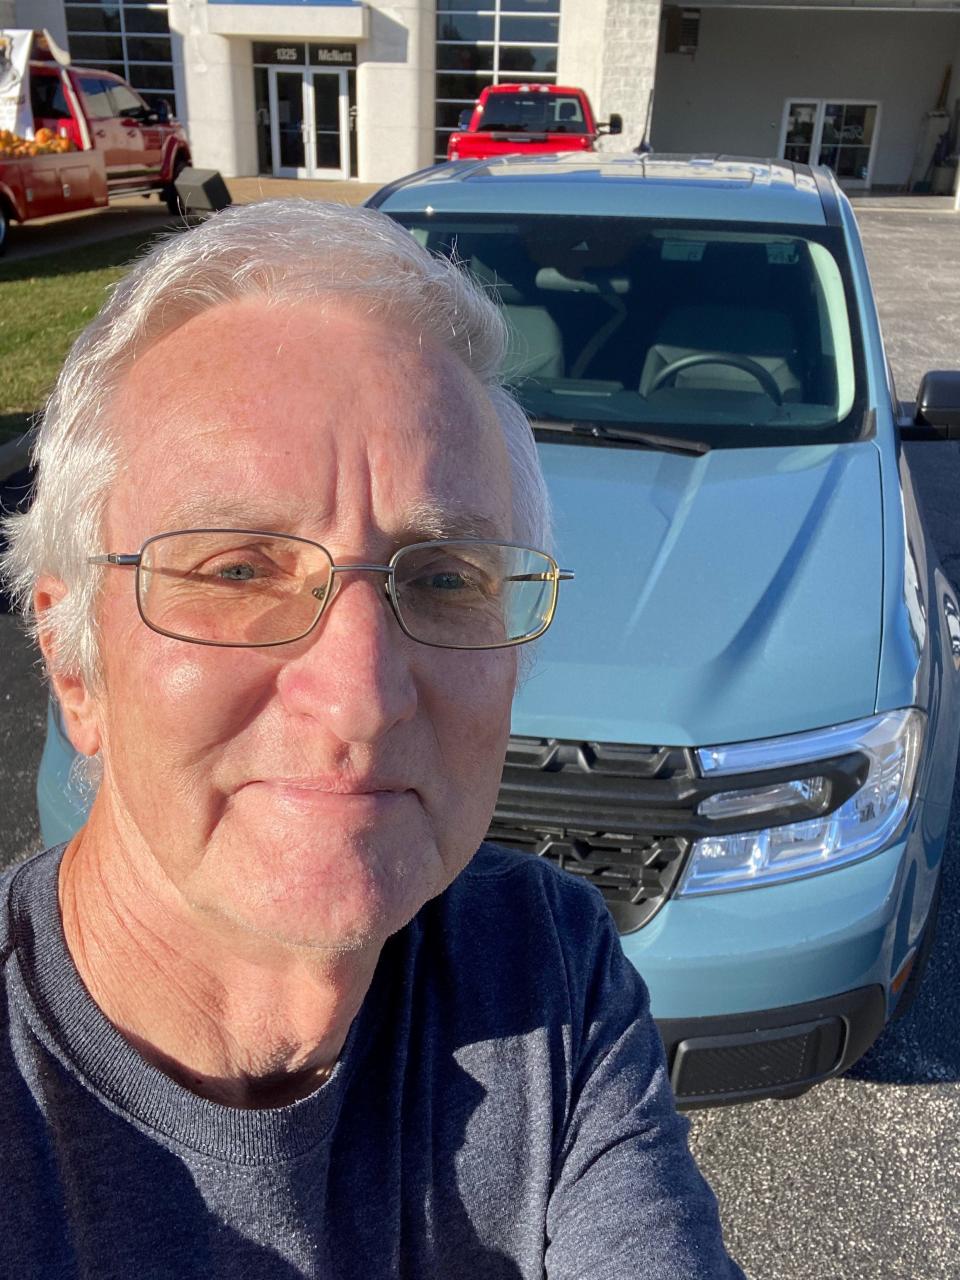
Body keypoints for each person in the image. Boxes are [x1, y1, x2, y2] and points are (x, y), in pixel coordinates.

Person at [0, 201, 746, 1279]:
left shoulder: (541, 966)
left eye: (443, 577)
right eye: (239, 570)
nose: (359, 695)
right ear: (76, 665)